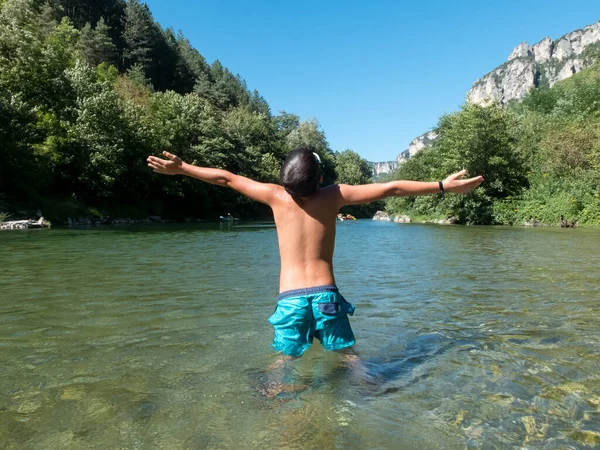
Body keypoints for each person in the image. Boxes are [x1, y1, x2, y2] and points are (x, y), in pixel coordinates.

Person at [147, 148, 484, 359]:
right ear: (320, 178)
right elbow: (392, 187)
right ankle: (365, 382)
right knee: (349, 357)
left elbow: (226, 178)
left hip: (291, 299)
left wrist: (184, 168)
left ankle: (279, 395)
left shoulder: (275, 196)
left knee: (284, 362)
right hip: (326, 295)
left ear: (285, 178)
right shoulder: (334, 195)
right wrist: (442, 185)